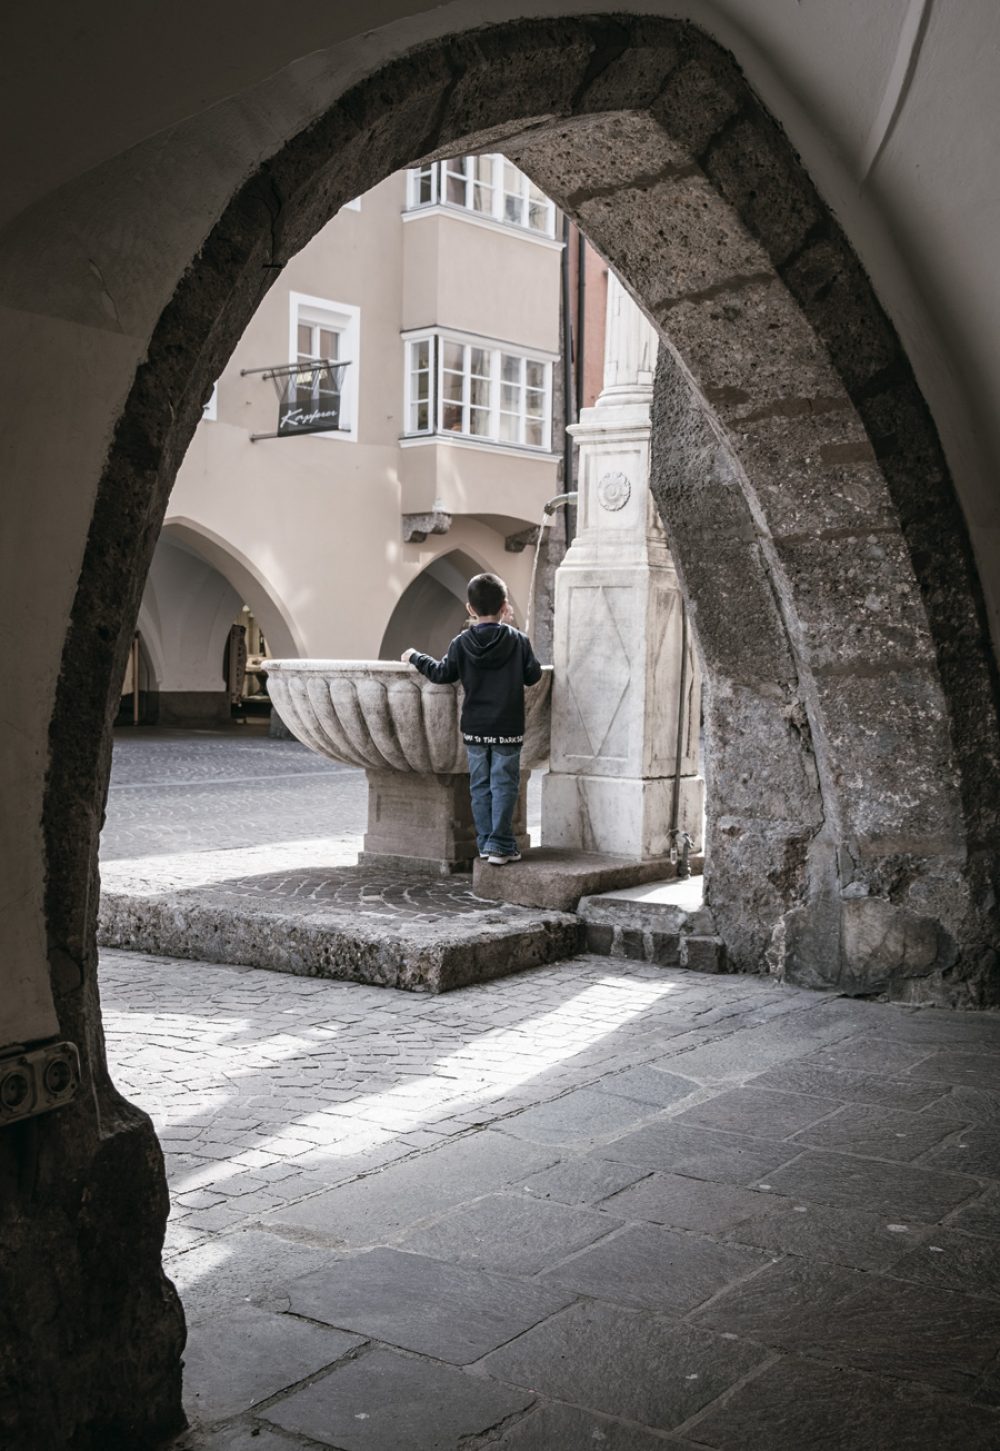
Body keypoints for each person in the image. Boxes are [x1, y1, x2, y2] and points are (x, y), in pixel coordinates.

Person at [401, 572, 542, 865]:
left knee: (480, 786)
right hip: (508, 727)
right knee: (504, 785)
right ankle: (502, 846)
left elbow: (441, 673)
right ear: (505, 606)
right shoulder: (517, 641)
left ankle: (486, 845)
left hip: (476, 728)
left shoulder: (462, 643)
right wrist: (520, 642)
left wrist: (415, 656)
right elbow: (533, 676)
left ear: (470, 608)